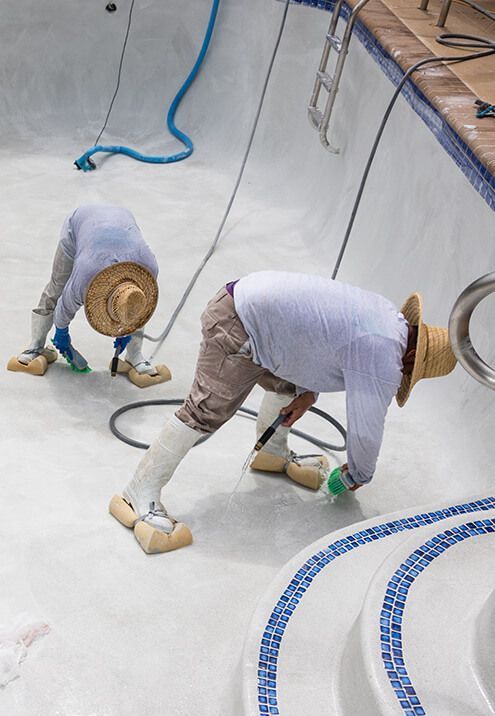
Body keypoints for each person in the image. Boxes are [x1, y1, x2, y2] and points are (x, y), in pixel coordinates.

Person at [109, 270, 457, 554]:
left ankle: (272, 453)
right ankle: (138, 492)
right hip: (239, 324)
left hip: (253, 312)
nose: (402, 375)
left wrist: (306, 394)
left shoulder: (385, 319)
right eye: (409, 372)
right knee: (205, 411)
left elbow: (318, 338)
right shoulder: (385, 353)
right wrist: (357, 476)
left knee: (286, 386)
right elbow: (366, 429)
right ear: (412, 357)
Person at [8, 204, 170, 388]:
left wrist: (128, 329)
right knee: (57, 286)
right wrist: (62, 337)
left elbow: (140, 307)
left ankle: (134, 355)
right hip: (80, 224)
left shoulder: (148, 269)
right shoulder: (85, 276)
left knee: (135, 304)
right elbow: (64, 309)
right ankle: (35, 346)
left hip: (121, 219)